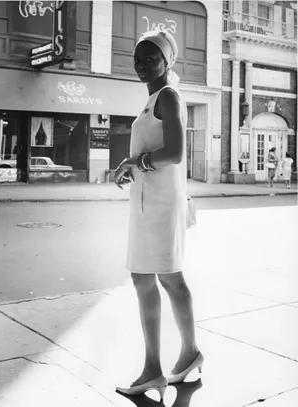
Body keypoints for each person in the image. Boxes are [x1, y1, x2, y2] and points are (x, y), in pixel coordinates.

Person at [114, 30, 203, 401]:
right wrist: (131, 168)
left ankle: (185, 353)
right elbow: (156, 152)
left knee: (170, 279)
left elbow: (176, 153)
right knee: (145, 278)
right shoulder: (153, 99)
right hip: (148, 203)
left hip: (164, 205)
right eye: (138, 58)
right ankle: (157, 366)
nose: (142, 64)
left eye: (150, 58)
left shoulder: (168, 96)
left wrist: (135, 161)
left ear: (168, 62)